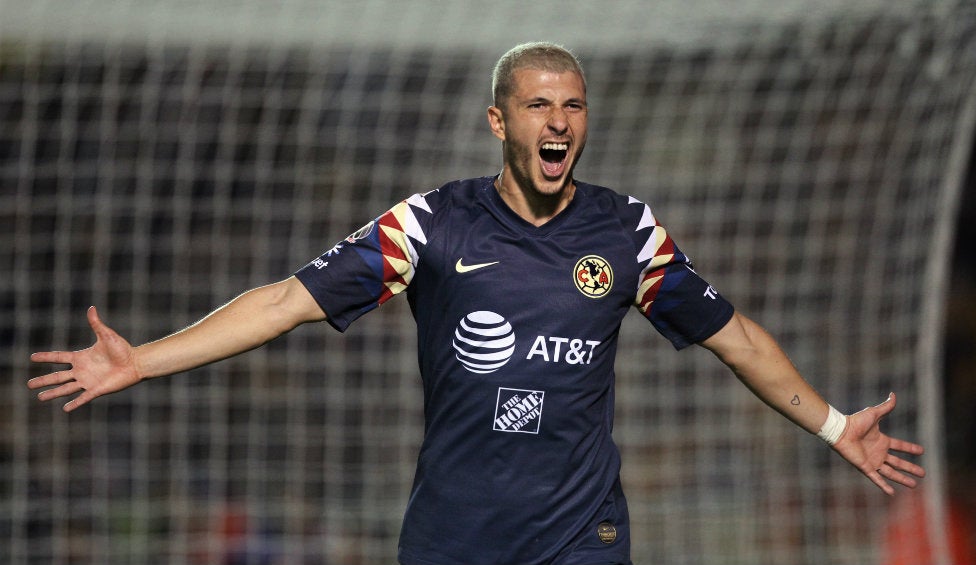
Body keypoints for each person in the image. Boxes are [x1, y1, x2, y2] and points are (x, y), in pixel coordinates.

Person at [28, 42, 925, 565]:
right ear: (500, 122)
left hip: (582, 530)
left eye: (573, 106)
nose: (560, 124)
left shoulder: (628, 234)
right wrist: (142, 357)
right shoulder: (430, 226)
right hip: (455, 535)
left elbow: (737, 339)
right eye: (539, 106)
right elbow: (282, 302)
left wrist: (836, 424)